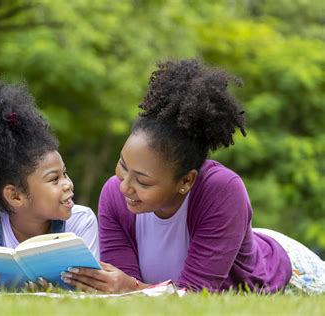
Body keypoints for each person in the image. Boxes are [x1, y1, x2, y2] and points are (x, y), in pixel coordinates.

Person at [60, 59, 325, 294]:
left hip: (290, 276)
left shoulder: (222, 190)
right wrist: (123, 287)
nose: (125, 186)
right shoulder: (114, 195)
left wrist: (132, 287)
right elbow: (124, 290)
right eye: (122, 165)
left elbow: (196, 295)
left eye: (142, 181)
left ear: (186, 181)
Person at [0, 81, 99, 294]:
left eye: (65, 173)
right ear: (15, 196)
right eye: (54, 179)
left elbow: (90, 294)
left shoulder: (81, 222)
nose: (68, 184)